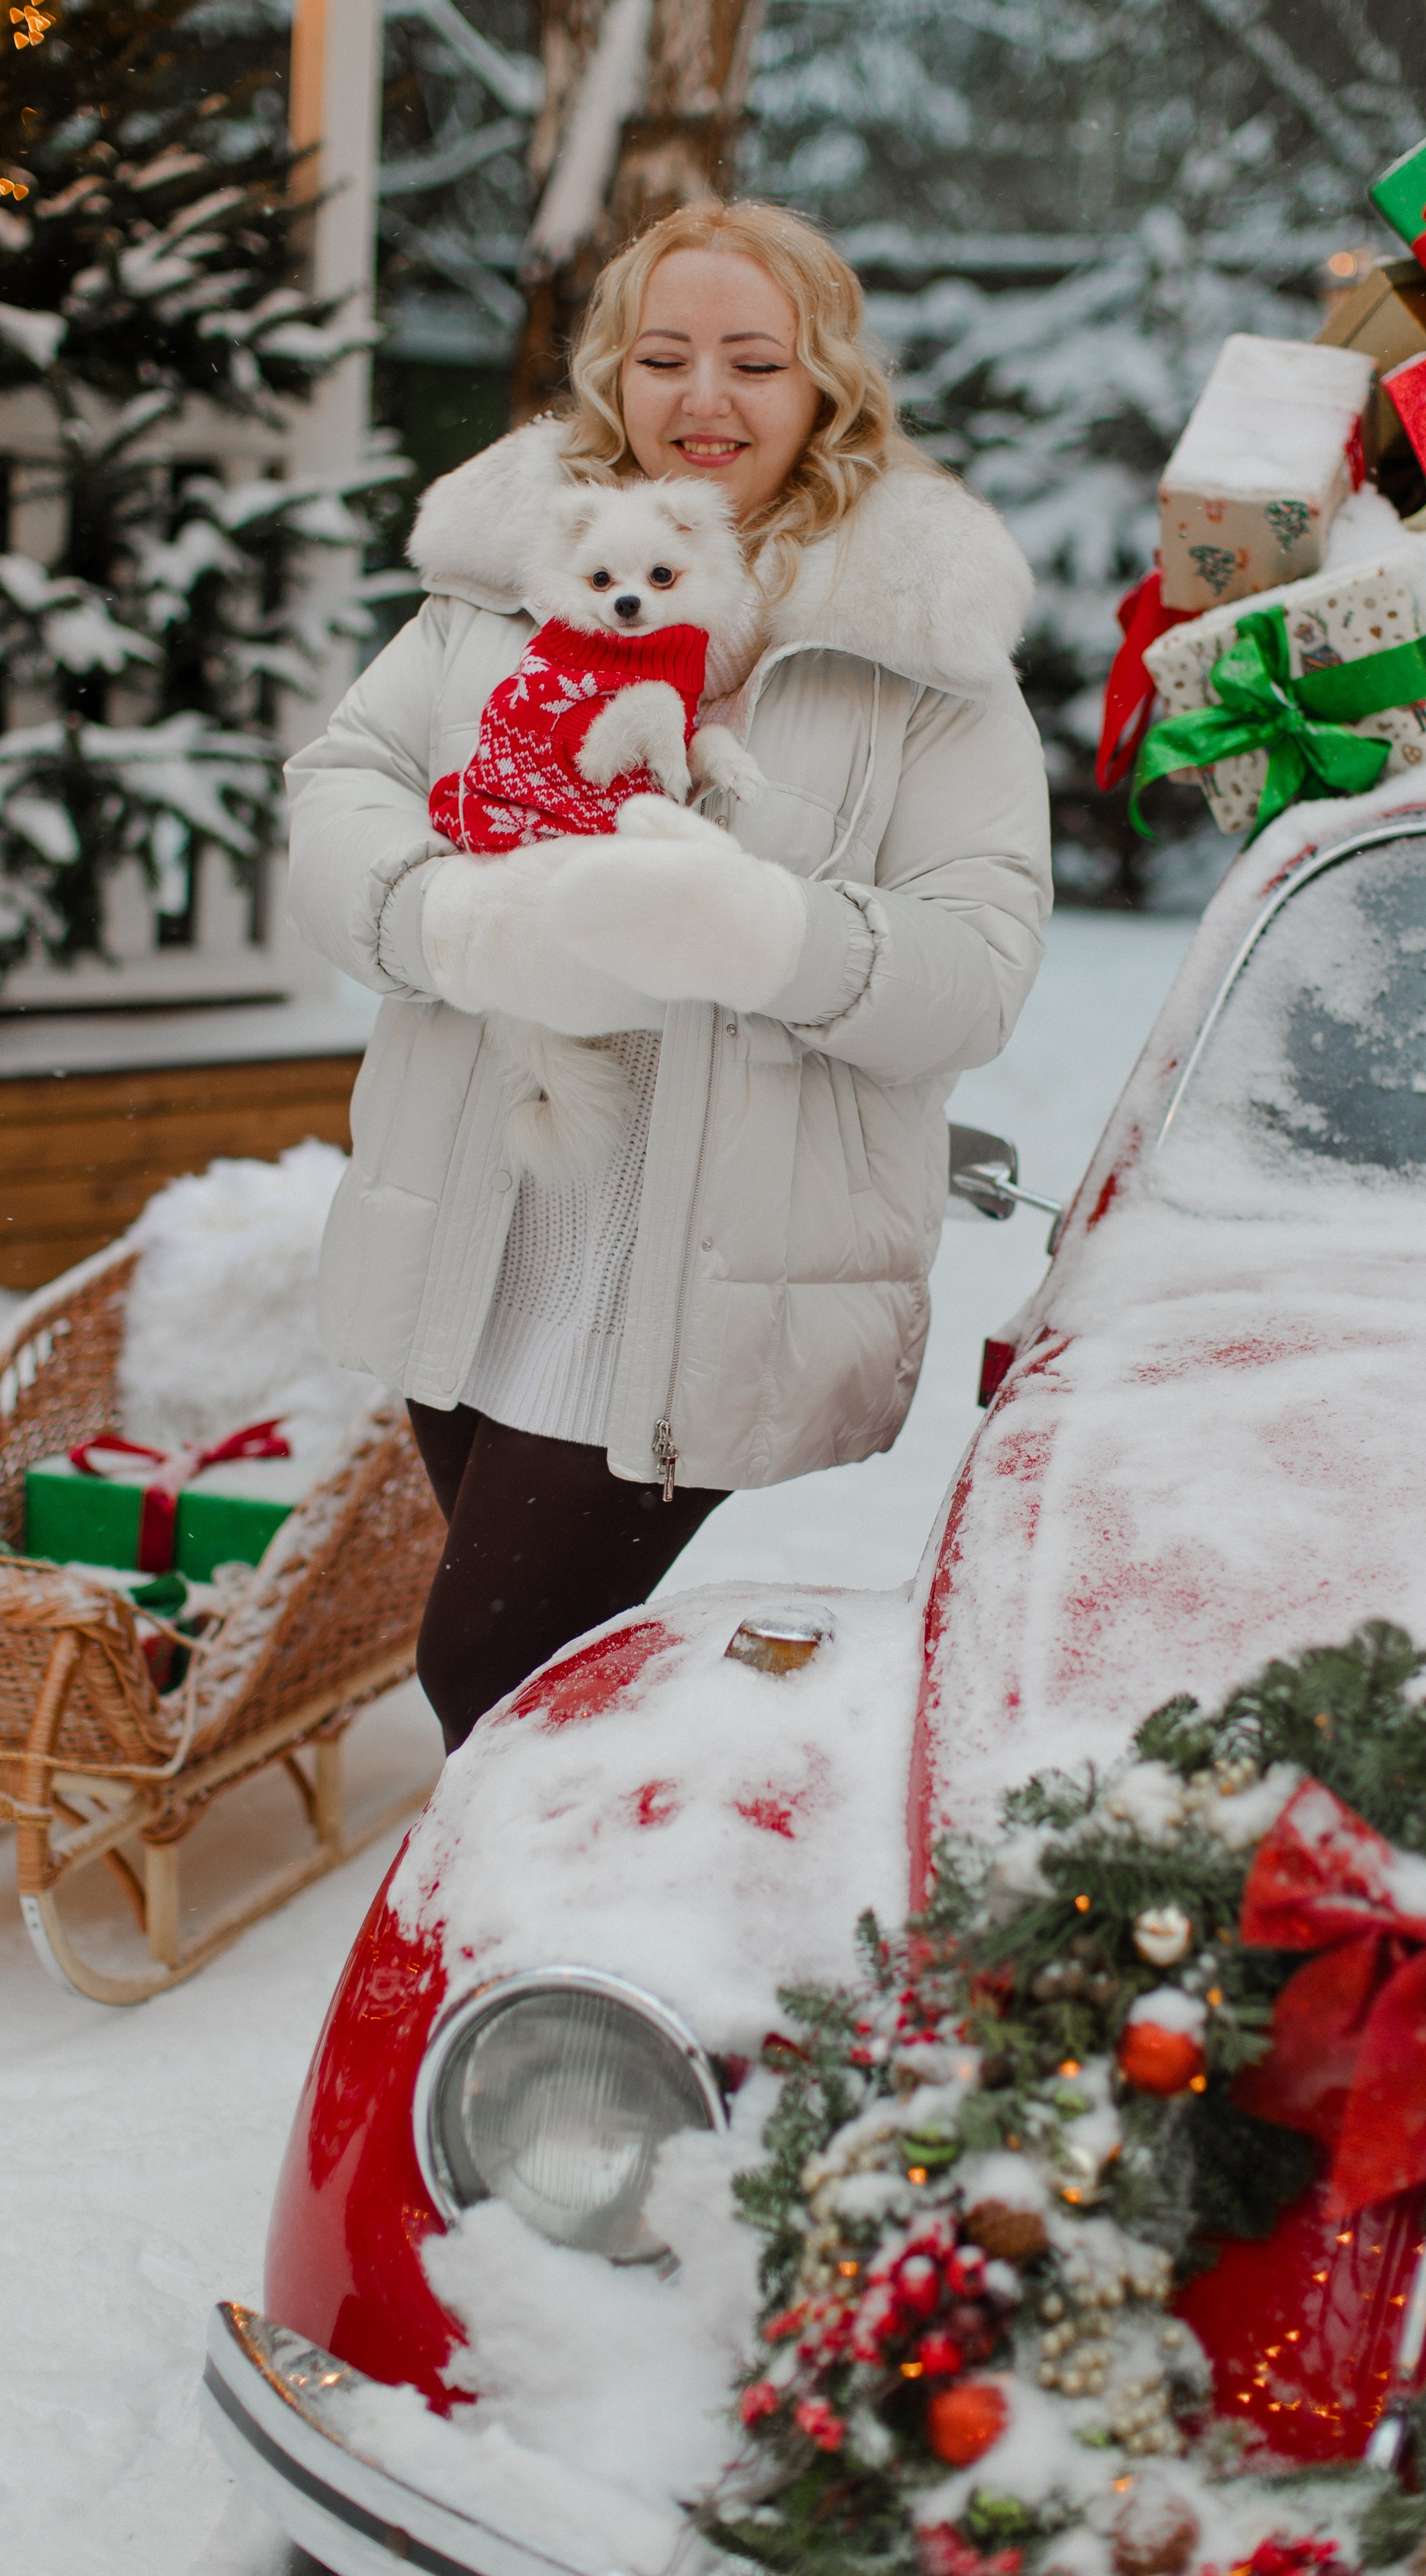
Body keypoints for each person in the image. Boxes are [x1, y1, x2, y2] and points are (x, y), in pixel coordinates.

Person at [287, 199, 1053, 1753]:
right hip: (482, 1222)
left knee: (486, 1672)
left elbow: (972, 971)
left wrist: (761, 937)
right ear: (610, 376)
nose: (704, 400)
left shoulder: (919, 648)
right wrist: (447, 920)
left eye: (754, 361)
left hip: (698, 1265)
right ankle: (578, 1952)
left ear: (825, 382)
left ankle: (525, 1977)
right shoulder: (509, 579)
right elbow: (343, 780)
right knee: (545, 1691)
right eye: (666, 356)